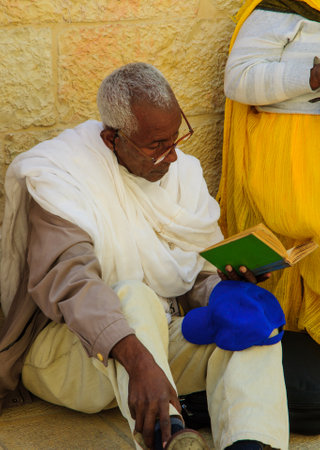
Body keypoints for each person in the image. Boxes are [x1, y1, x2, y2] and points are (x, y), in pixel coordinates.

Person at [0, 62, 288, 450]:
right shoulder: (63, 178)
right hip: (70, 356)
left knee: (249, 323)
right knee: (133, 294)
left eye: (175, 139)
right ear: (111, 139)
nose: (171, 158)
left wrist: (223, 289)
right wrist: (139, 363)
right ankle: (164, 435)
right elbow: (74, 285)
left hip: (158, 349)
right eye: (156, 146)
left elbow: (190, 276)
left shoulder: (183, 174)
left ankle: (250, 443)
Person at [217, 0, 320, 434]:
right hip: (289, 161)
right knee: (303, 238)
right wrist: (309, 77)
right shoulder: (278, 9)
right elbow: (238, 79)